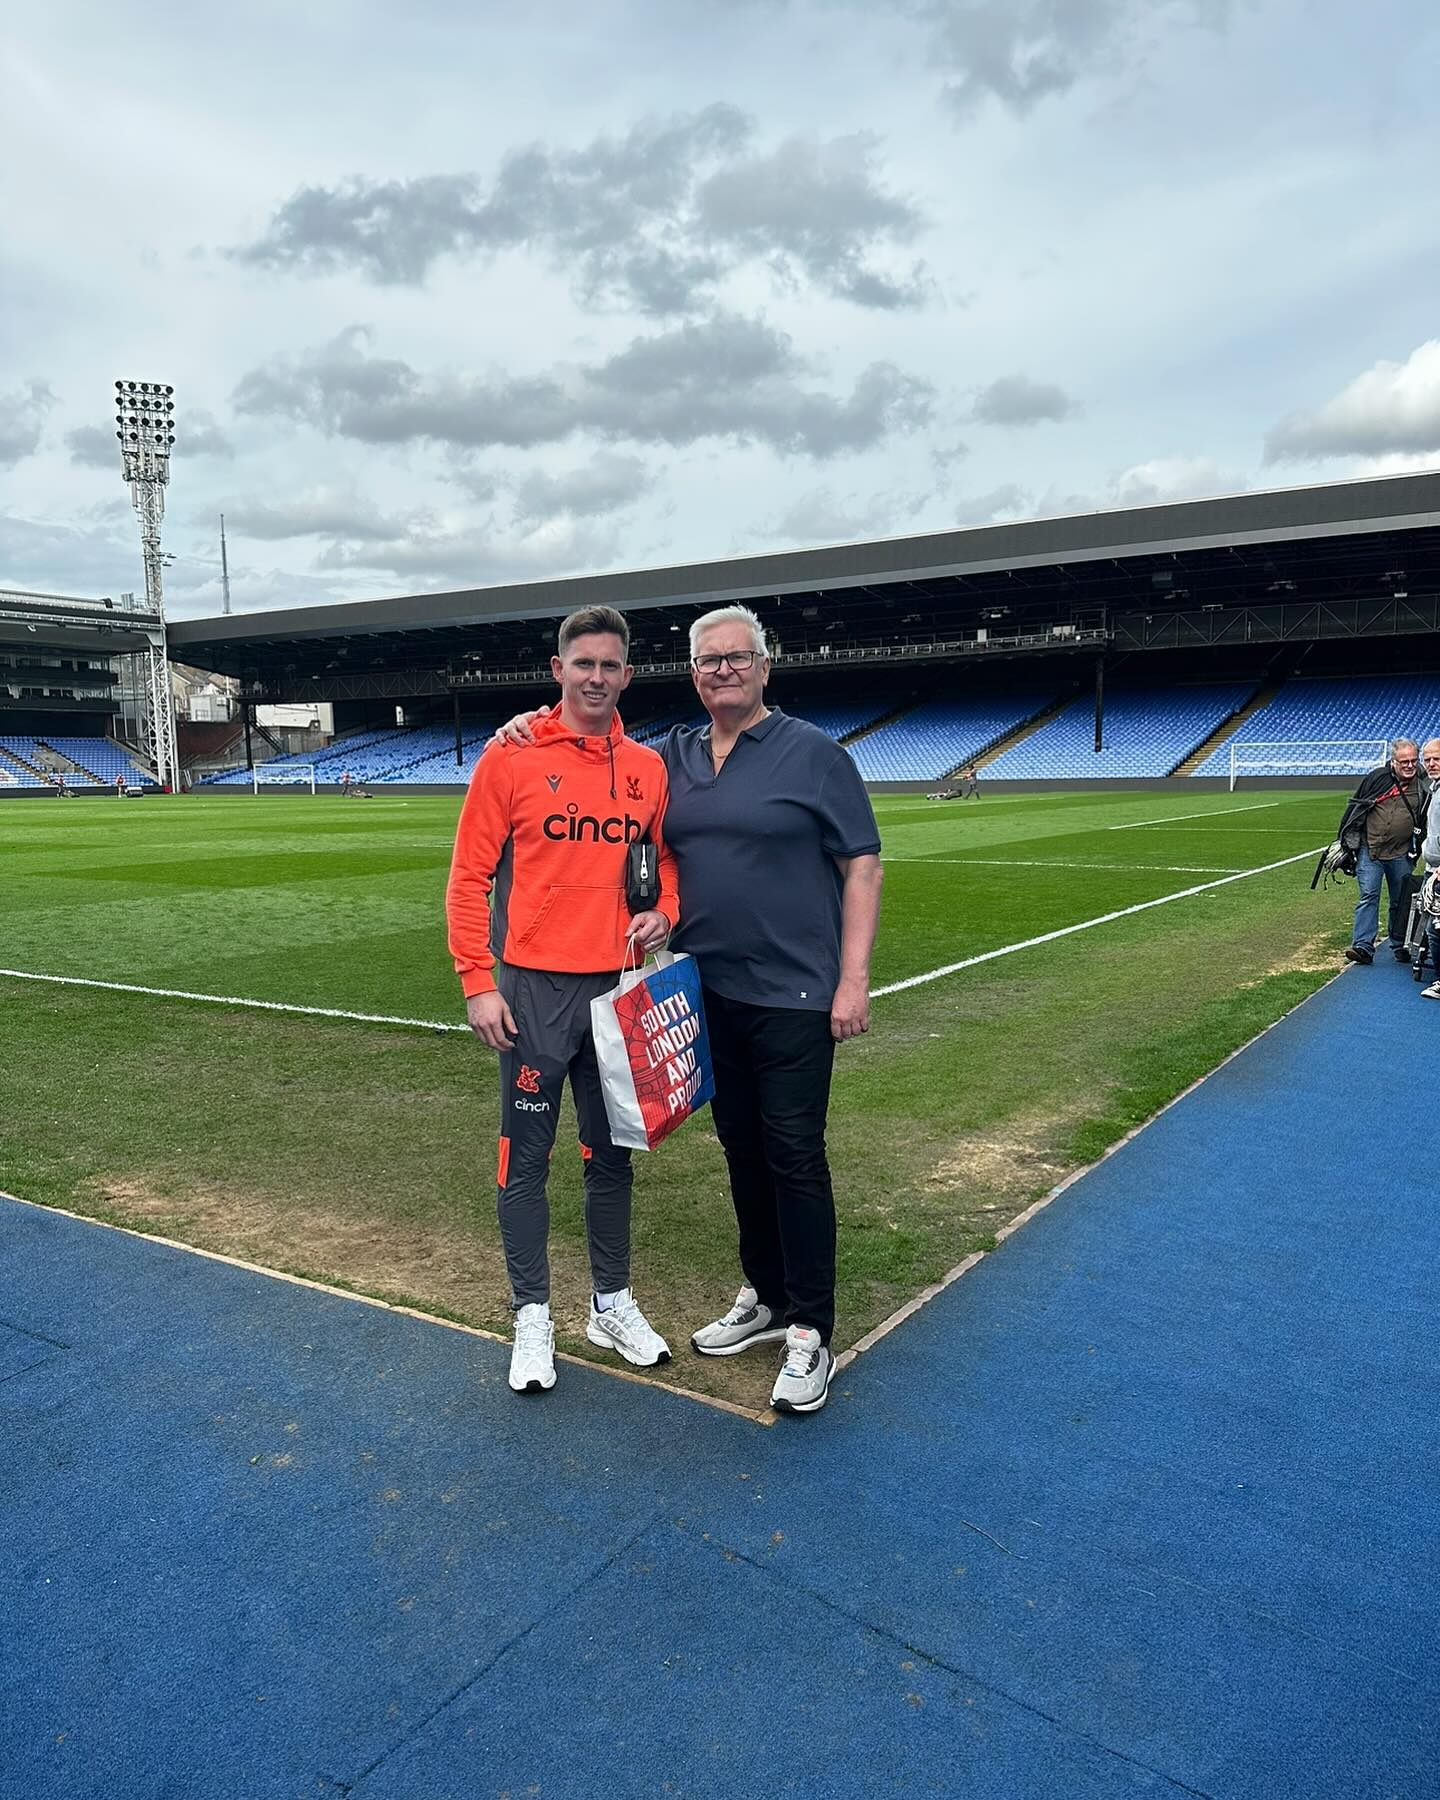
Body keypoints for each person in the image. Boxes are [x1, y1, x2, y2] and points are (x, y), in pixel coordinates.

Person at [494, 605, 883, 1416]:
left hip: (799, 993)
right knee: (742, 1148)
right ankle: (767, 1296)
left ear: (765, 666)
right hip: (707, 991)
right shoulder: (670, 755)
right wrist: (528, 724)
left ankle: (811, 1328)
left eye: (737, 659)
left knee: (795, 1155)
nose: (722, 671)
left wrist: (854, 979)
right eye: (708, 661)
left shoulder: (815, 755)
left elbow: (863, 866)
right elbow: (613, 763)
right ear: (691, 674)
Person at [447, 606, 678, 1397]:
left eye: (611, 666)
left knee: (611, 1157)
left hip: (617, 990)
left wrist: (664, 911)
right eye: (583, 664)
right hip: (534, 992)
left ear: (627, 675)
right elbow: (468, 877)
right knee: (527, 1163)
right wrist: (478, 981)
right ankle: (532, 1315)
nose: (596, 677)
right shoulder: (509, 759)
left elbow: (661, 862)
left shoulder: (647, 768)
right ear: (558, 670)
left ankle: (609, 1302)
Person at [1338, 739, 1427, 966]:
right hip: (1372, 851)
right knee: (1369, 895)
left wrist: (1418, 847)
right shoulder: (1377, 778)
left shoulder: (1423, 783)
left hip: (1401, 852)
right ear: (1393, 761)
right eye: (1404, 761)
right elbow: (1356, 810)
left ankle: (1399, 944)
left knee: (1401, 900)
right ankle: (1363, 947)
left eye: (1413, 761)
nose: (1409, 766)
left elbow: (1426, 818)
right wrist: (1349, 844)